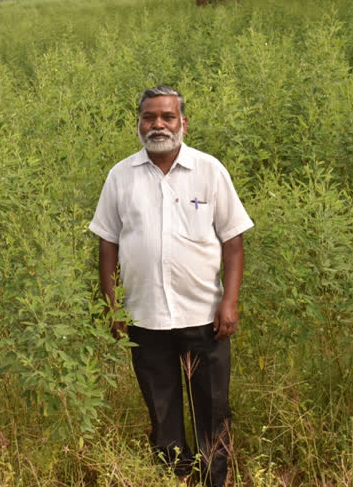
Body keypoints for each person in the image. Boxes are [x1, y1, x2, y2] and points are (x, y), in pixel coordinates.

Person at [89, 86, 254, 486]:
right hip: (144, 318)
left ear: (183, 123)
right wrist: (113, 308)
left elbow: (233, 242)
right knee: (162, 416)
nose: (158, 125)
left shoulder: (209, 170)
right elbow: (107, 244)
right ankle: (174, 480)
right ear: (139, 123)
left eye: (167, 117)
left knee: (212, 413)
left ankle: (214, 481)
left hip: (205, 317)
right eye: (150, 117)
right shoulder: (120, 176)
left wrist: (229, 302)